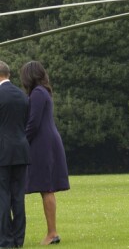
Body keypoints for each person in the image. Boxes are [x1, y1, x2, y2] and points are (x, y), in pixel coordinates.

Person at [20, 62, 69, 246]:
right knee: (45, 187)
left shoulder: (38, 93)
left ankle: (52, 232)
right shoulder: (42, 92)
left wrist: (22, 142)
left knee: (46, 187)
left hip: (43, 144)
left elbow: (33, 123)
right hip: (45, 142)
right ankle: (52, 232)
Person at [0, 60, 30, 248]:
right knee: (18, 196)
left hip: (2, 152)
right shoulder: (22, 95)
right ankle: (18, 239)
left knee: (2, 196)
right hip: (21, 150)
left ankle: (5, 239)